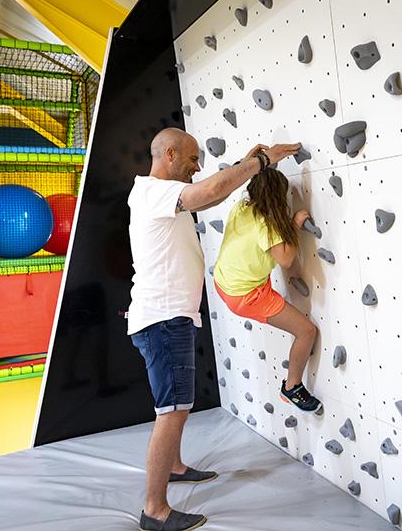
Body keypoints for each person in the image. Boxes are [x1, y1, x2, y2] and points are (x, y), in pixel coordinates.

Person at [127, 127, 299, 531]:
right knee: (169, 411)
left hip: (171, 317)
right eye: (191, 159)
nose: (197, 166)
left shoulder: (161, 196)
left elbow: (215, 194)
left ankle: (173, 466)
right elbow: (209, 191)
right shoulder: (154, 192)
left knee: (179, 406)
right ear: (168, 154)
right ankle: (155, 510)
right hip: (163, 319)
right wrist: (262, 162)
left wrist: (245, 163)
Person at [211, 166, 322, 413]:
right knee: (306, 331)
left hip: (223, 282)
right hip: (246, 295)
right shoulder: (268, 224)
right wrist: (294, 224)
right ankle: (292, 387)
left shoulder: (241, 208)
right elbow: (285, 259)